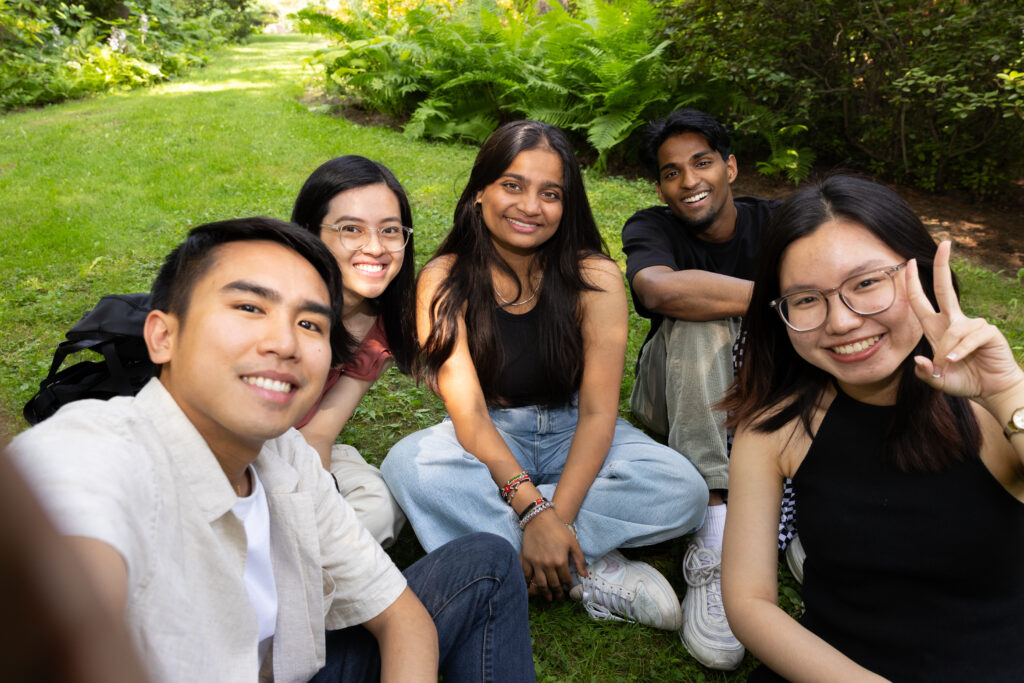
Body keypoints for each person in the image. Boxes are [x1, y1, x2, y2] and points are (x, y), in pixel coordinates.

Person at [7, 218, 535, 683]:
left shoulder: (286, 458)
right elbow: (59, 572)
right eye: (248, 306)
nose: (284, 342)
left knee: (485, 561)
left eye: (309, 323)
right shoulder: (101, 450)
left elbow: (400, 615)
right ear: (162, 336)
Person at [382, 120, 708, 631]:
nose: (530, 206)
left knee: (683, 488)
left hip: (574, 430)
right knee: (407, 467)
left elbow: (600, 413)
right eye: (513, 185)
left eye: (550, 193)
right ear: (479, 193)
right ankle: (587, 567)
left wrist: (548, 515)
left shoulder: (594, 277)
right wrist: (534, 510)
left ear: (567, 204)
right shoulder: (443, 279)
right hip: (490, 433)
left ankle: (531, 553)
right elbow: (468, 418)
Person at [720, 175, 1024, 681]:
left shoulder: (994, 408)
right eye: (807, 299)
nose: (841, 322)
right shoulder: (777, 427)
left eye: (866, 283)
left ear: (919, 275)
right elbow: (750, 602)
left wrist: (1008, 394)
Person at [620, 108, 781, 669]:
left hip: (769, 396)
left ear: (730, 167)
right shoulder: (649, 228)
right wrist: (782, 298)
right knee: (698, 318)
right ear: (659, 186)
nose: (689, 182)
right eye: (671, 172)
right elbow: (659, 291)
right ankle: (713, 528)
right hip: (676, 395)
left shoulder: (780, 224)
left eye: (702, 163)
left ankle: (814, 498)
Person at [290, 155, 417, 548]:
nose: (375, 248)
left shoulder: (376, 327)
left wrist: (320, 502)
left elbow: (320, 432)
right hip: (235, 445)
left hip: (299, 447)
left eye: (390, 231)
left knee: (378, 507)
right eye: (351, 229)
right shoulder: (276, 304)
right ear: (313, 232)